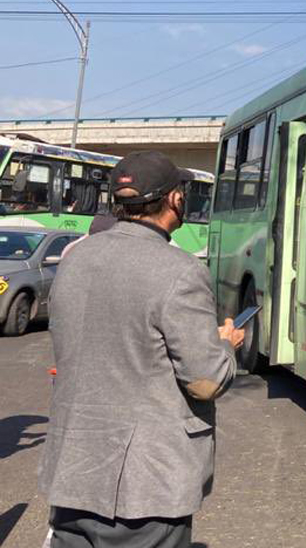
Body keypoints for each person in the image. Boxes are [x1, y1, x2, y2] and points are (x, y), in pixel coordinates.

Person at [39, 150, 244, 547]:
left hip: (73, 471)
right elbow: (205, 382)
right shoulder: (181, 270)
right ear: (174, 200)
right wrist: (226, 345)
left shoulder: (74, 259)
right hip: (146, 486)